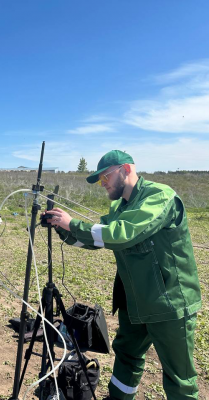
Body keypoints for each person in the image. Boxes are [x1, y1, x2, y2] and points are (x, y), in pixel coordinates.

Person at [45, 150, 201, 400]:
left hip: (169, 303)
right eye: (99, 180)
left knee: (178, 377)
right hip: (135, 301)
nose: (102, 183)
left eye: (105, 176)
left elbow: (121, 233)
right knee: (127, 356)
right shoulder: (120, 206)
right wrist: (64, 229)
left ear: (126, 169)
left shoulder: (159, 196)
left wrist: (72, 223)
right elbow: (99, 238)